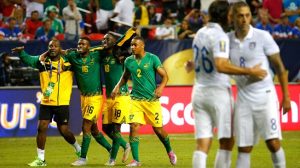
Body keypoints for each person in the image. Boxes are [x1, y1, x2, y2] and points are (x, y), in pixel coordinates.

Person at [185, 1, 268, 168]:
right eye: (230, 14)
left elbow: (201, 58)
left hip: (199, 92)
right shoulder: (220, 36)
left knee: (202, 144)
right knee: (227, 141)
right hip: (218, 93)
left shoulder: (200, 32)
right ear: (225, 15)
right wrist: (250, 71)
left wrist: (192, 64)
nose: (232, 17)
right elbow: (221, 65)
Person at [228, 2, 291, 168]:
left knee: (273, 142)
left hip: (265, 97)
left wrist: (287, 96)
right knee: (244, 147)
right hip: (243, 99)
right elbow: (220, 64)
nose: (244, 19)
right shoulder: (227, 40)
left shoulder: (262, 36)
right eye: (240, 15)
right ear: (233, 17)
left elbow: (280, 67)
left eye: (247, 15)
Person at [11, 39, 81, 167]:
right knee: (41, 127)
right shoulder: (42, 62)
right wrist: (21, 53)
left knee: (64, 130)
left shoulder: (69, 62)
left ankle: (78, 149)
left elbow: (80, 55)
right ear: (47, 48)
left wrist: (66, 52)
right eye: (50, 46)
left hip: (62, 102)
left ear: (60, 48)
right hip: (46, 102)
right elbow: (29, 60)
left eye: (56, 46)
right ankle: (41, 159)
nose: (53, 48)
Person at [111, 36, 177, 167]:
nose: (132, 47)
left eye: (135, 45)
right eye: (131, 45)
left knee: (158, 130)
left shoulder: (153, 58)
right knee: (133, 126)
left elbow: (165, 76)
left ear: (142, 46)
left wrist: (161, 87)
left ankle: (169, 150)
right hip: (135, 99)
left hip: (151, 101)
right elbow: (125, 77)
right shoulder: (129, 61)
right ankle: (136, 160)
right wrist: (116, 87)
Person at [64, 37, 112, 166]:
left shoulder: (96, 55)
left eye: (83, 44)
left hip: (95, 97)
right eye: (78, 43)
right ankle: (113, 149)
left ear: (88, 46)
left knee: (85, 126)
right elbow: (62, 55)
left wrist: (129, 33)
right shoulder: (73, 56)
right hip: (83, 97)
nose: (80, 45)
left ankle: (83, 158)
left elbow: (109, 47)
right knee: (95, 130)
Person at [100, 32, 133, 166]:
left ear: (114, 41)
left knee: (115, 128)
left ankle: (112, 159)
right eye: (103, 39)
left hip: (121, 96)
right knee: (105, 128)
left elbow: (126, 39)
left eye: (107, 39)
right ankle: (125, 145)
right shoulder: (102, 55)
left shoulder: (121, 55)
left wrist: (124, 53)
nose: (104, 41)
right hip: (108, 97)